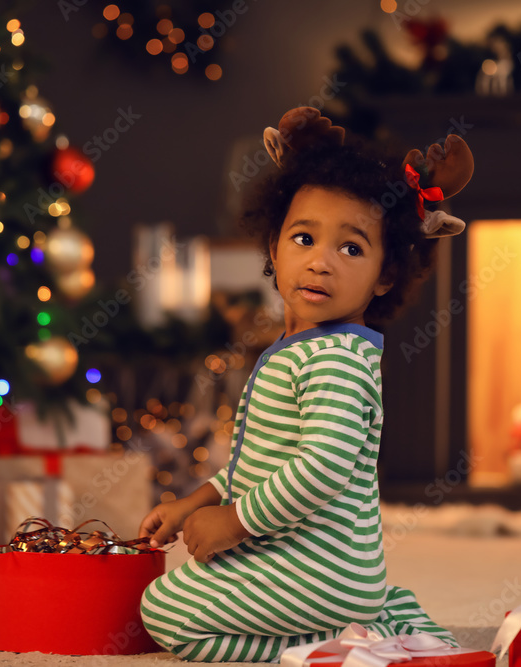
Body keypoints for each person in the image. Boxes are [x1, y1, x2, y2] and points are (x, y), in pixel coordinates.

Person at [139, 107, 474, 662]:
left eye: (351, 248)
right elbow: (265, 465)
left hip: (316, 565)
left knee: (165, 610)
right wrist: (195, 502)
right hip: (331, 564)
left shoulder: (336, 359)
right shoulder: (306, 348)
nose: (321, 263)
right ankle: (380, 615)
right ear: (273, 248)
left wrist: (233, 523)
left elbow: (320, 467)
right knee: (208, 576)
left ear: (385, 275)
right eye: (303, 238)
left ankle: (324, 651)